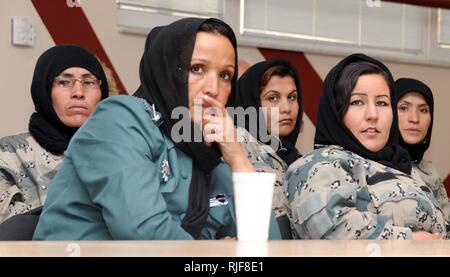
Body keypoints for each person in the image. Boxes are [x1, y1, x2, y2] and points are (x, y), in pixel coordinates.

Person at [33, 18, 269, 240]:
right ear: (166, 70)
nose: (213, 88)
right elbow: (142, 233)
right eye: (196, 68)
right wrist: (214, 254)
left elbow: (267, 246)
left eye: (225, 75)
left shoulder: (214, 159)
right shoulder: (120, 119)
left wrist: (239, 159)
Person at [285, 53, 446, 240]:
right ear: (337, 111)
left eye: (382, 103)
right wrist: (411, 240)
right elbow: (333, 231)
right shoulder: (318, 164)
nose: (372, 114)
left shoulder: (404, 167)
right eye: (357, 102)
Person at [0, 45, 109, 224]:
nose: (78, 93)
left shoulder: (120, 151)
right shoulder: (8, 155)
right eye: (63, 82)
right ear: (44, 90)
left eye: (89, 82)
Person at [230, 60, 303, 238]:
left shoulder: (292, 154)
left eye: (292, 97)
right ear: (251, 103)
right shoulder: (235, 146)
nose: (286, 108)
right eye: (273, 98)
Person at [395, 78, 450, 223]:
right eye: (403, 108)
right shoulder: (372, 164)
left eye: (423, 110)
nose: (414, 118)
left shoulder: (429, 170)